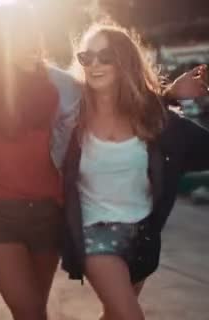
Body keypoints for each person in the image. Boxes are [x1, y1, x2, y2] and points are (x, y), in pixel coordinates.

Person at [61, 23, 209, 320]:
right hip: (94, 234)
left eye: (105, 56)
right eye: (86, 57)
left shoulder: (155, 119)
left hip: (140, 236)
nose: (94, 64)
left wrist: (167, 96)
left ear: (124, 61)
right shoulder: (71, 115)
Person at [0, 3, 81, 319]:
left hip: (50, 216)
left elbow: (118, 101)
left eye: (33, 34)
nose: (32, 44)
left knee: (35, 311)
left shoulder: (65, 88)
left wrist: (169, 95)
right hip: (2, 216)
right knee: (30, 312)